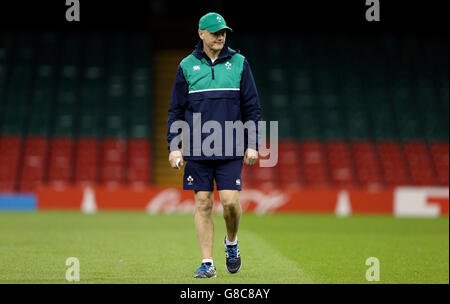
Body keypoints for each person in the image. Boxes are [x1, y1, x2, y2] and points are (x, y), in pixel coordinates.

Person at [166, 12, 261, 278]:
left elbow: (252, 108)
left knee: (230, 203)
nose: (221, 36)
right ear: (201, 34)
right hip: (197, 149)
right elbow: (175, 111)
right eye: (215, 32)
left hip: (231, 146)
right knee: (204, 203)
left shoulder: (240, 63)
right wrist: (174, 146)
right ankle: (207, 263)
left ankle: (231, 243)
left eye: (223, 32)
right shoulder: (186, 66)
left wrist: (252, 144)